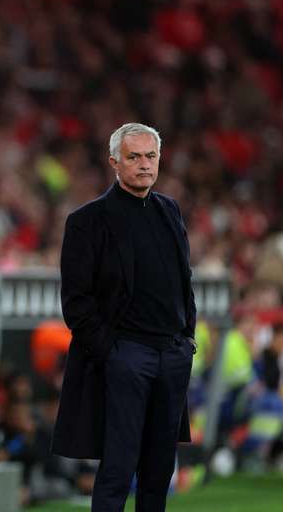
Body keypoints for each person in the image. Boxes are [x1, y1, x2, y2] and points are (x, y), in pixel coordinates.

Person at [52, 123, 196, 512]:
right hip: (126, 356)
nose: (145, 165)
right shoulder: (87, 221)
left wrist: (187, 340)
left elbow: (184, 280)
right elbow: (76, 303)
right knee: (118, 468)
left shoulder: (170, 210)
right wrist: (113, 354)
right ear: (114, 162)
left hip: (172, 354)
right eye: (134, 157)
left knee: (158, 470)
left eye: (151, 156)